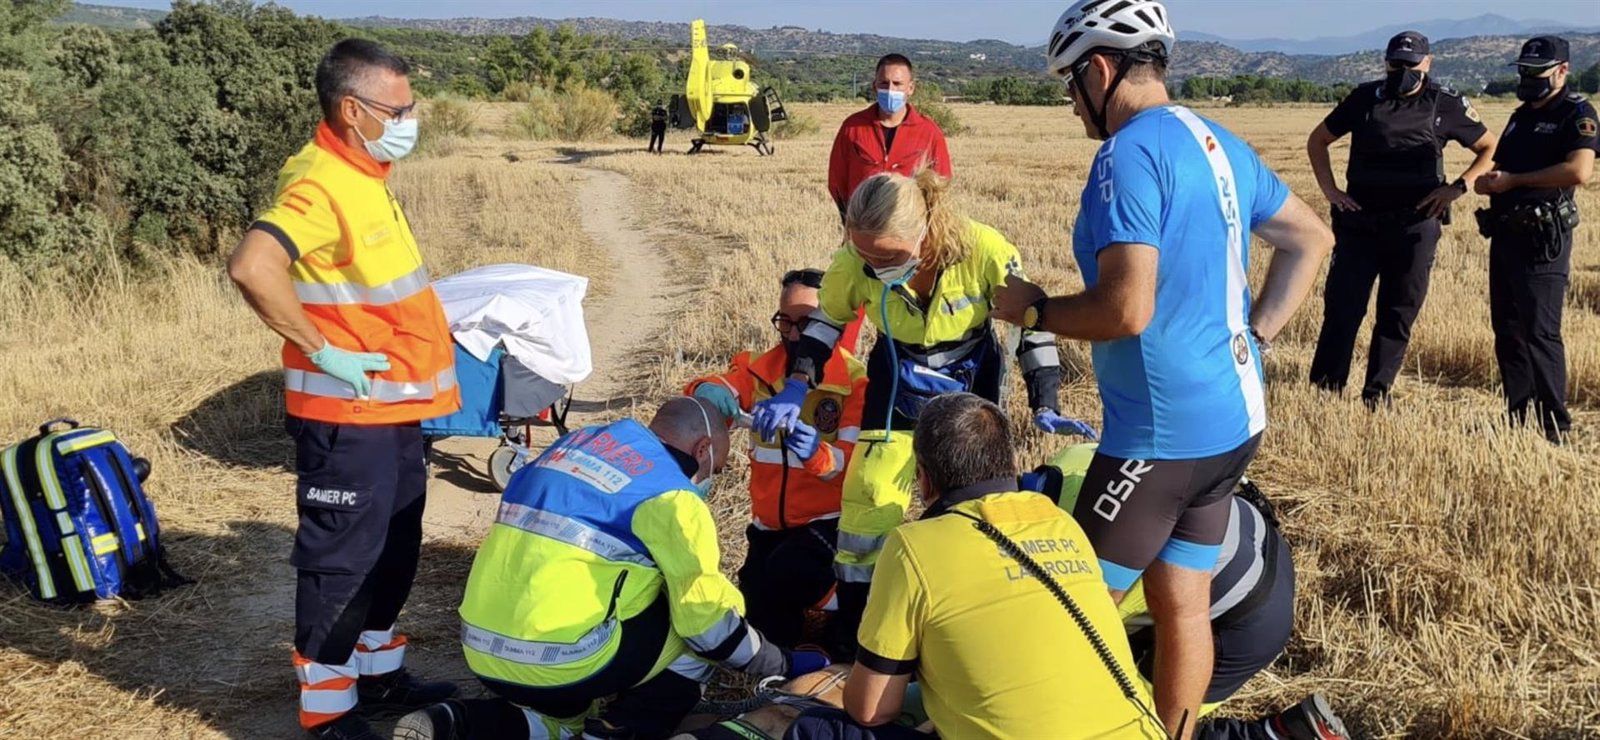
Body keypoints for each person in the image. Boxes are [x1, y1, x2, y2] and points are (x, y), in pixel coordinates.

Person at [993, 2, 1333, 735]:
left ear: (1101, 69)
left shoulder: (1128, 153)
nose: (1069, 102)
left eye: (1068, 83)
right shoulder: (1216, 141)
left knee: (1061, 614)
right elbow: (1310, 238)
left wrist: (1032, 311)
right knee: (1180, 602)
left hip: (1160, 441)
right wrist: (1257, 336)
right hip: (1233, 423)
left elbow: (1126, 310)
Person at [226, 39, 460, 740]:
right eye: (401, 107)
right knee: (342, 561)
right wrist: (326, 352)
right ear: (353, 110)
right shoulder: (322, 184)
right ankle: (328, 714)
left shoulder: (367, 173)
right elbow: (253, 266)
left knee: (394, 546)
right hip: (347, 413)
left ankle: (379, 673)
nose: (411, 117)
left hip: (393, 411)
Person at [753, 169, 1085, 657]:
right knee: (866, 505)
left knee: (973, 506)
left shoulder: (986, 251)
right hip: (896, 386)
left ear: (925, 229)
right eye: (863, 253)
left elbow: (1033, 326)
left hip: (969, 385)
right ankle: (860, 632)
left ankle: (971, 624)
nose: (872, 266)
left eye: (885, 256)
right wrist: (798, 380)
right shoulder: (855, 262)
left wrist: (1046, 400)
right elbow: (828, 319)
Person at [395, 398, 829, 740]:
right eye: (717, 465)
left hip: (480, 646)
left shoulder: (572, 447)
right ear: (702, 450)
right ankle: (622, 730)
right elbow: (707, 625)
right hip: (563, 662)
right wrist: (782, 662)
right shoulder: (672, 496)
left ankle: (456, 720)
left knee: (559, 722)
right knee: (695, 631)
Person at [786, 394, 1165, 739]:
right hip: (1140, 730)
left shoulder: (914, 546)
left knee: (815, 730)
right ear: (1011, 462)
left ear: (923, 477)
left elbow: (871, 709)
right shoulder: (1061, 523)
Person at [1029, 444, 1350, 740]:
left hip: (1244, 616)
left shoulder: (1084, 551)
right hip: (1256, 537)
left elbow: (1087, 642)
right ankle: (1289, 731)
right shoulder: (1071, 459)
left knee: (1137, 723)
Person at [1306, 31, 1497, 407]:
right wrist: (1331, 192)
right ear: (1386, 62)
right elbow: (1318, 141)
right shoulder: (1364, 98)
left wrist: (1457, 187)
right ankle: (1325, 391)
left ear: (1427, 63)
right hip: (1360, 223)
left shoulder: (1446, 103)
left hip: (1415, 226)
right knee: (1343, 309)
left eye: (1411, 63)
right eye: (1396, 63)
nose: (1403, 70)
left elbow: (1490, 146)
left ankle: (1377, 392)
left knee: (1398, 312)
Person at [683, 269, 868, 648]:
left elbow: (849, 468)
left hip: (827, 524)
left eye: (808, 323)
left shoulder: (853, 384)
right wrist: (708, 392)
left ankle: (850, 605)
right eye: (786, 322)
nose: (796, 335)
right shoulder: (758, 370)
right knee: (762, 611)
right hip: (768, 526)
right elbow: (714, 385)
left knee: (790, 573)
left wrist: (814, 451)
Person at [1473, 35, 1597, 444]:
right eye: (1523, 71)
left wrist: (1515, 182)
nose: (1527, 80)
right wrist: (1489, 183)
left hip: (1544, 239)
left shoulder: (1575, 114)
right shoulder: (1520, 116)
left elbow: (1579, 171)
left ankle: (1554, 425)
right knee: (1507, 330)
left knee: (1540, 332)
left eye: (1536, 73)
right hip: (1506, 234)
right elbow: (1501, 162)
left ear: (1562, 71)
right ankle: (1518, 414)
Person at [826, 53, 955, 353]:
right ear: (874, 85)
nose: (890, 89)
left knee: (907, 304)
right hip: (864, 234)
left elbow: (941, 184)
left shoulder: (929, 132)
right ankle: (841, 365)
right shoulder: (852, 129)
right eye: (884, 83)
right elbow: (837, 182)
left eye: (898, 83)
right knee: (851, 298)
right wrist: (852, 225)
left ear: (911, 88)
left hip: (908, 240)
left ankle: (906, 359)